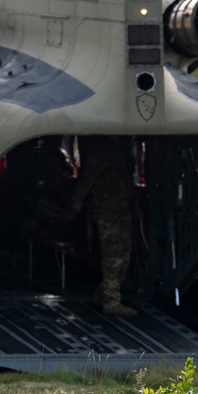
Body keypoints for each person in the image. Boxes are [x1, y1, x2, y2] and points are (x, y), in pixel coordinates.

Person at [65, 136, 137, 318]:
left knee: (124, 257)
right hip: (107, 211)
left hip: (122, 210)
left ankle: (104, 294)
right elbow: (86, 182)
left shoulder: (123, 155)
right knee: (114, 258)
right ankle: (111, 301)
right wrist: (75, 206)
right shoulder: (102, 154)